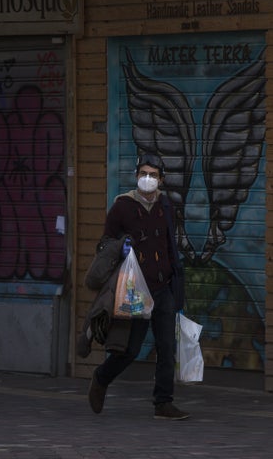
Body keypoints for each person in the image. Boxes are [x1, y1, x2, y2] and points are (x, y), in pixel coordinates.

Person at [87, 152, 189, 420]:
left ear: (161, 180)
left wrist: (175, 279)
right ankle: (101, 377)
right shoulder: (123, 206)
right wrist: (121, 248)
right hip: (135, 290)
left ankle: (163, 403)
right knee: (130, 350)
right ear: (136, 176)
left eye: (153, 175)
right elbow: (105, 243)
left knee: (167, 348)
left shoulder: (166, 206)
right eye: (144, 174)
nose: (148, 179)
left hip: (162, 287)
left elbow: (170, 245)